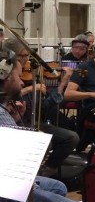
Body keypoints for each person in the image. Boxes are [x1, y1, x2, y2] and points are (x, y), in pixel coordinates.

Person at [0, 43, 83, 202]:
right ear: (5, 76)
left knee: (59, 187)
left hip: (12, 184)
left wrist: (16, 120)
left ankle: (46, 174)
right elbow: (17, 166)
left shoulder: (6, 111)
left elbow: (44, 110)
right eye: (17, 75)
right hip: (9, 194)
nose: (22, 80)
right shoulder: (2, 112)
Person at [3, 38, 79, 177]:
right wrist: (29, 89)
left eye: (27, 55)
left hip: (29, 121)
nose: (26, 60)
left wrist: (62, 83)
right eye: (22, 56)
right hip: (13, 125)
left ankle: (46, 171)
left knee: (71, 137)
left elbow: (43, 107)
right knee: (43, 143)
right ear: (10, 55)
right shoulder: (6, 76)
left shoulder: (32, 74)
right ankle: (28, 175)